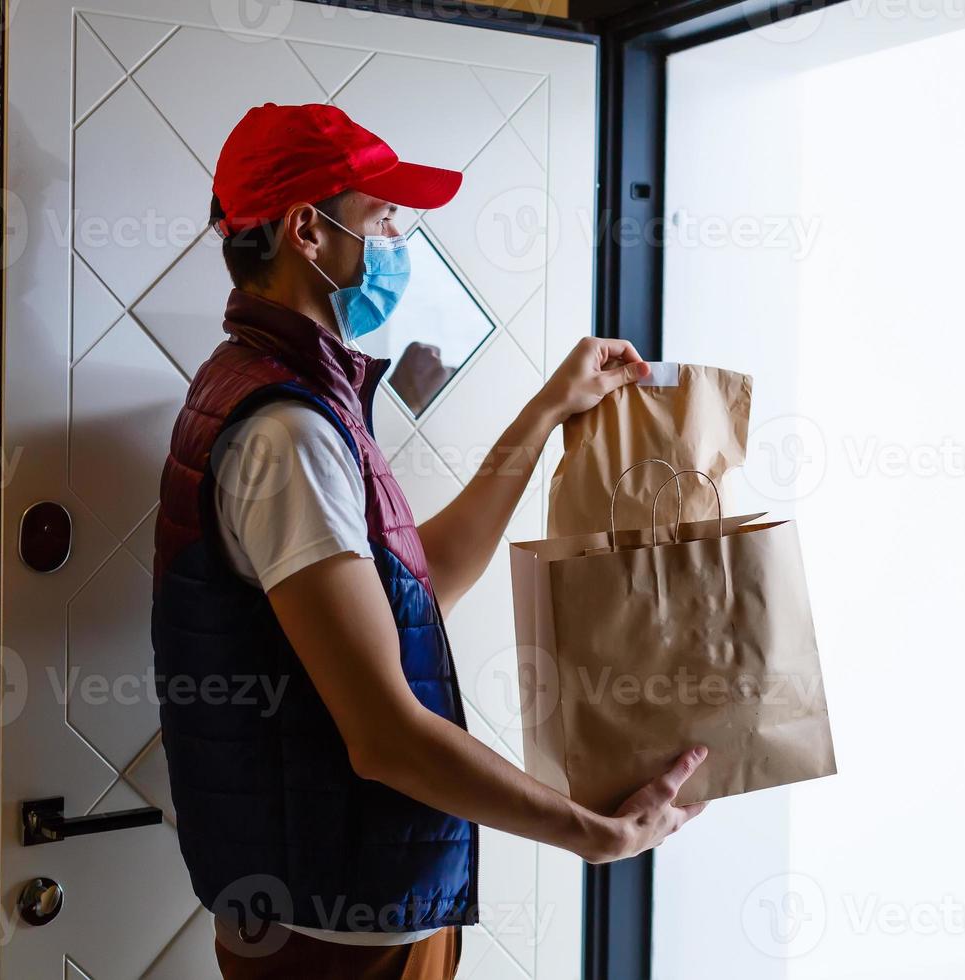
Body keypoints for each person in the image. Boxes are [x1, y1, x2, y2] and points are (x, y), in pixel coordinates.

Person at [151, 102, 708, 980]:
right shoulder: (286, 434)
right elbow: (385, 737)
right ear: (307, 230)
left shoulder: (284, 392)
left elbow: (423, 583)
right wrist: (592, 834)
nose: (401, 241)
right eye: (384, 219)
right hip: (335, 938)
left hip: (338, 913)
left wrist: (548, 410)